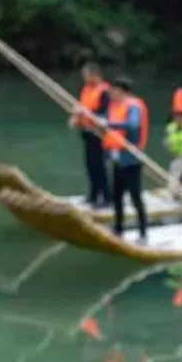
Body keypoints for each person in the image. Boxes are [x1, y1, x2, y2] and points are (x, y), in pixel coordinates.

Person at [101, 76, 149, 242]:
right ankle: (118, 228)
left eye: (113, 90)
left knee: (135, 197)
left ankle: (143, 233)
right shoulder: (114, 106)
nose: (110, 93)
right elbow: (103, 121)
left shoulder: (133, 106)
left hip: (131, 159)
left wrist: (111, 124)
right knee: (117, 195)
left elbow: (132, 125)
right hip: (117, 158)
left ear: (122, 91)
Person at [69, 63, 110, 207]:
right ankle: (92, 195)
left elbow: (105, 114)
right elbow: (82, 107)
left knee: (99, 166)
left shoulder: (105, 92)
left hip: (98, 133)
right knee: (90, 165)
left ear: (95, 75)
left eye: (86, 75)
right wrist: (75, 118)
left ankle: (106, 198)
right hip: (87, 132)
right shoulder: (86, 89)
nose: (84, 78)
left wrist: (86, 115)